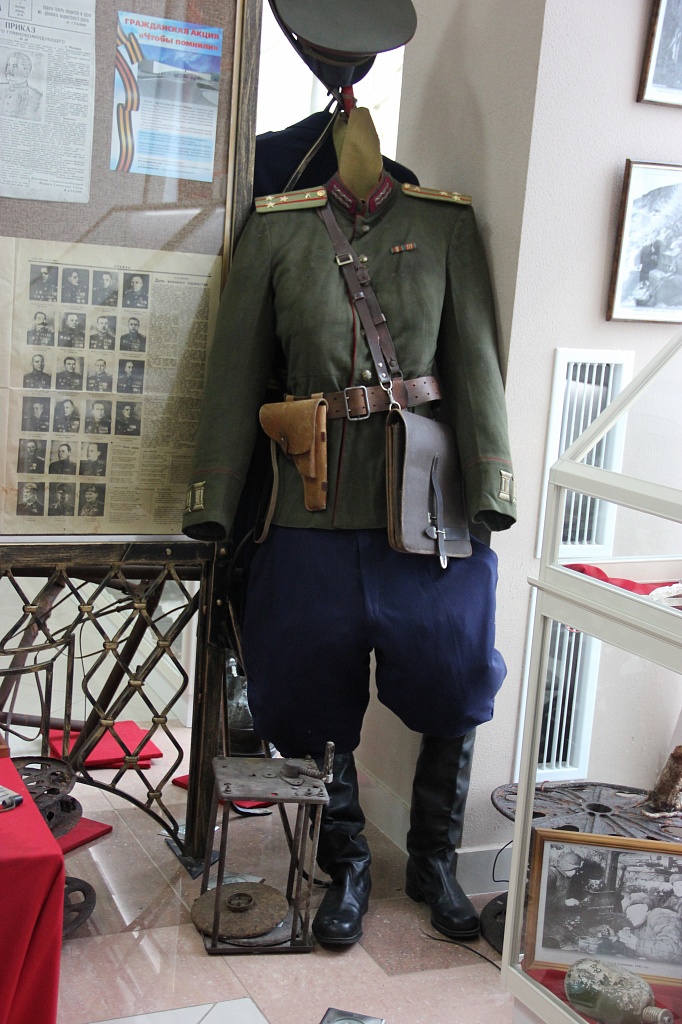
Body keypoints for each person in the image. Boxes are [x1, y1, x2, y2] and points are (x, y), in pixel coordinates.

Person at [183, 0, 515, 950]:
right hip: (309, 507)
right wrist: (214, 498)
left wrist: (491, 488)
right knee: (304, 682)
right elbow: (234, 374)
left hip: (430, 513)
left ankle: (435, 861)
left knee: (456, 672)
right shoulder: (277, 230)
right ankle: (348, 862)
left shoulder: (444, 225)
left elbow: (476, 363)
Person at [618, 904, 682, 963]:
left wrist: (637, 944)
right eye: (626, 914)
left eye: (631, 910)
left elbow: (670, 950)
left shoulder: (658, 914)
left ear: (644, 907)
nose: (628, 916)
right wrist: (621, 940)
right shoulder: (642, 925)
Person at [0, 51, 42, 120]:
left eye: (15, 66)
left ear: (26, 72)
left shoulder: (36, 96)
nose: (9, 69)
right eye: (9, 65)